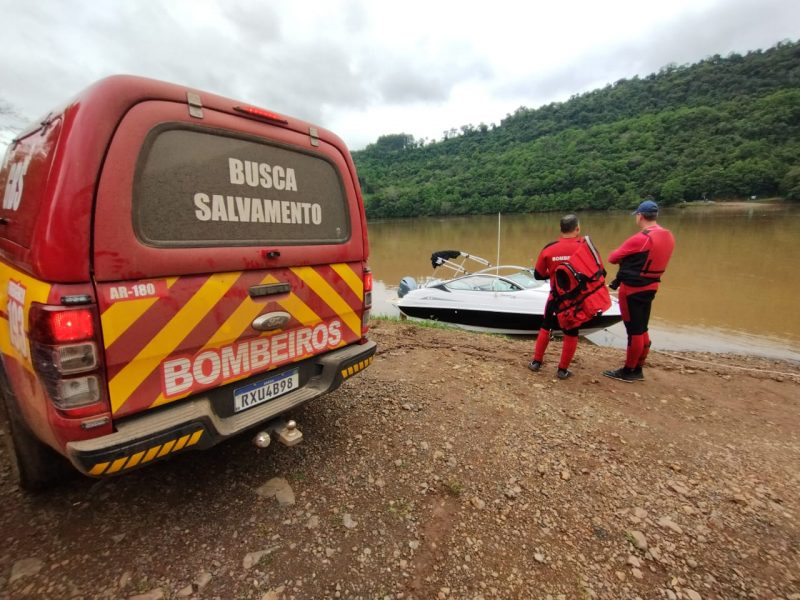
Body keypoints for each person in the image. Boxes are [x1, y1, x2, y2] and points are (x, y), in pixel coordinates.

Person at [603, 199, 675, 382]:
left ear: (640, 216)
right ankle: (639, 367)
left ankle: (629, 371)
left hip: (632, 290)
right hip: (651, 287)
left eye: (637, 215)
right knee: (642, 327)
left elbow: (612, 258)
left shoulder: (641, 239)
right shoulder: (668, 236)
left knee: (633, 331)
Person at [529, 214, 584, 380]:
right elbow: (599, 272)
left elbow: (538, 275)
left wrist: (553, 272)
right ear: (577, 229)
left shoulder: (549, 248)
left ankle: (536, 362)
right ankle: (562, 370)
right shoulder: (585, 247)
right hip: (576, 300)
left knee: (546, 327)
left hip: (555, 298)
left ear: (560, 230)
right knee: (571, 333)